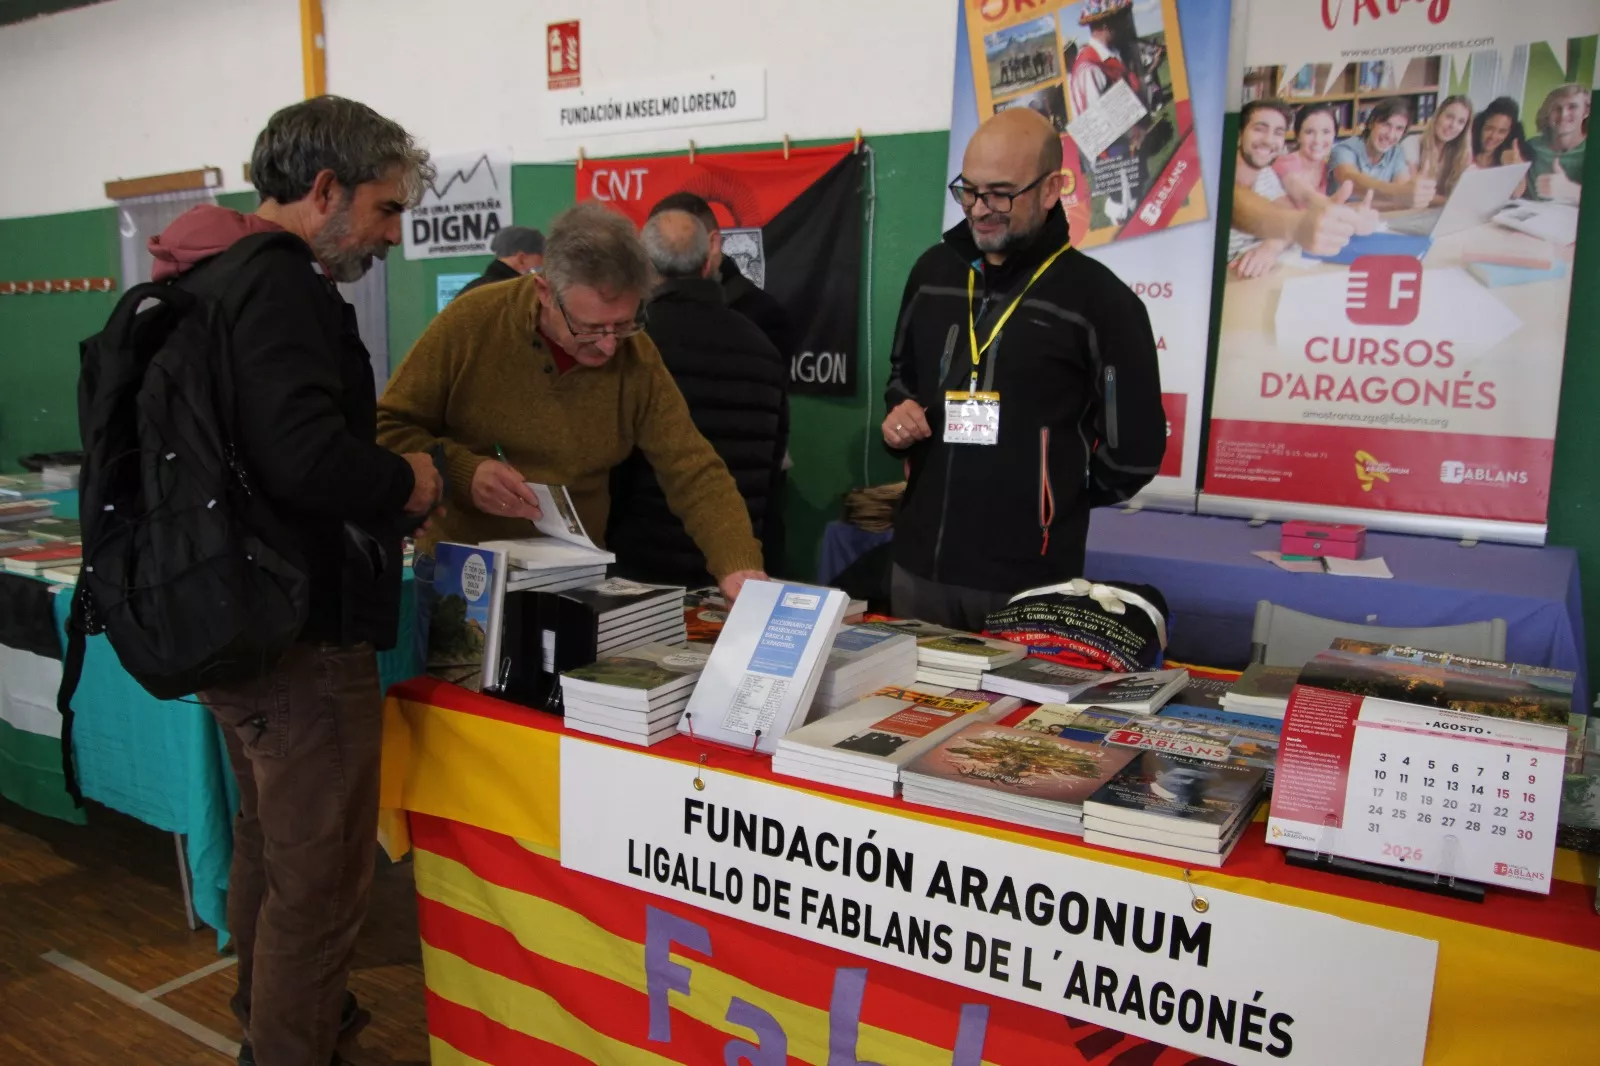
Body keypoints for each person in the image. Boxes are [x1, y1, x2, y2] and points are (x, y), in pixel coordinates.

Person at [145, 96, 443, 1066]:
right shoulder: (278, 288)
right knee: (321, 886)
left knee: (270, 848)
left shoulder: (206, 274)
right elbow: (303, 456)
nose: (393, 236)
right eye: (387, 209)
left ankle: (265, 1020)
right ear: (325, 190)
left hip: (232, 617)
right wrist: (407, 480)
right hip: (297, 635)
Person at [377, 202, 767, 647]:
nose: (608, 346)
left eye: (624, 324)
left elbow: (692, 468)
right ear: (545, 292)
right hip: (462, 578)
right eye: (589, 328)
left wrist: (737, 563)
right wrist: (464, 472)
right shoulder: (472, 322)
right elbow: (389, 426)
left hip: (573, 582)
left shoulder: (636, 358)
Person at [881, 107, 1164, 631]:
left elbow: (1135, 451)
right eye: (969, 191)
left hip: (1030, 578)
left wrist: (1053, 501)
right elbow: (901, 380)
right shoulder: (932, 274)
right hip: (919, 568)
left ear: (1052, 188)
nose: (980, 209)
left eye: (1001, 194)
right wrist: (900, 419)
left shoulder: (1101, 301)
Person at [606, 210, 788, 587]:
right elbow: (774, 464)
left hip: (642, 566)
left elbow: (614, 464)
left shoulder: (634, 345)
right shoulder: (762, 347)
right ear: (708, 263)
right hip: (734, 568)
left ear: (645, 268)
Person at [1228, 99, 1375, 277]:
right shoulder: (1216, 172)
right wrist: (1296, 226)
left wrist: (1271, 246)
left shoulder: (1266, 174)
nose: (1269, 140)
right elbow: (1235, 204)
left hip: (1256, 272)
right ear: (1239, 133)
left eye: (1278, 132)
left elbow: (1289, 213)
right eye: (1259, 129)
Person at [646, 191, 795, 358]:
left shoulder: (763, 317)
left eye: (683, 246)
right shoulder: (636, 317)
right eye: (658, 247)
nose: (667, 259)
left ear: (713, 244)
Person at [1329, 97, 1435, 209]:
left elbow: (1403, 198)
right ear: (1371, 123)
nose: (1390, 135)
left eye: (1399, 129)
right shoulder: (1344, 149)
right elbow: (1353, 182)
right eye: (1386, 125)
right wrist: (1400, 194)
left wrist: (1404, 195)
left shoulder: (1396, 152)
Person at [1068, 0, 1142, 116]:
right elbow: (1094, 121)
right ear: (1106, 24)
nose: (1126, 24)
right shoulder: (1088, 68)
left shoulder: (1113, 53)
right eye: (1122, 17)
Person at [1401, 94, 1473, 204]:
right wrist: (1453, 202)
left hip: (1446, 211)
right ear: (1437, 116)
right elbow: (1415, 194)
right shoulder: (1411, 143)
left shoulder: (1462, 153)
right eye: (1449, 117)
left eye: (1461, 122)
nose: (1453, 125)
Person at [1526, 83, 1588, 203]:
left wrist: (1569, 190)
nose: (1563, 115)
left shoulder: (1593, 151)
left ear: (1586, 111)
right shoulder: (1531, 146)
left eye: (1572, 107)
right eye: (1557, 108)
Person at [1273, 104, 1339, 210]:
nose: (1317, 140)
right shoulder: (1285, 163)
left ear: (1334, 135)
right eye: (1309, 132)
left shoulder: (1328, 169)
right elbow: (1301, 193)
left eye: (1326, 132)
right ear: (1298, 136)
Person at [457, 224, 544, 296]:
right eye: (540, 264)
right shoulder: (514, 294)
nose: (542, 268)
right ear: (521, 259)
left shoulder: (471, 288)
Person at [1471, 96, 1529, 171]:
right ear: (1480, 126)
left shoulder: (1511, 161)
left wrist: (1517, 168)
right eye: (1489, 128)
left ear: (1510, 133)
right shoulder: (1464, 153)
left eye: (1502, 132)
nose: (1493, 136)